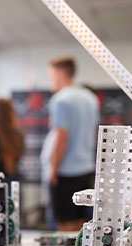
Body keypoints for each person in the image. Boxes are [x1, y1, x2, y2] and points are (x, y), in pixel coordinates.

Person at [42, 56, 99, 231]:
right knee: (81, 224)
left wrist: (53, 169)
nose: (50, 80)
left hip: (65, 172)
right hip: (86, 169)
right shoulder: (90, 98)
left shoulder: (61, 100)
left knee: (65, 226)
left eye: (51, 75)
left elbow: (61, 137)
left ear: (61, 73)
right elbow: (95, 133)